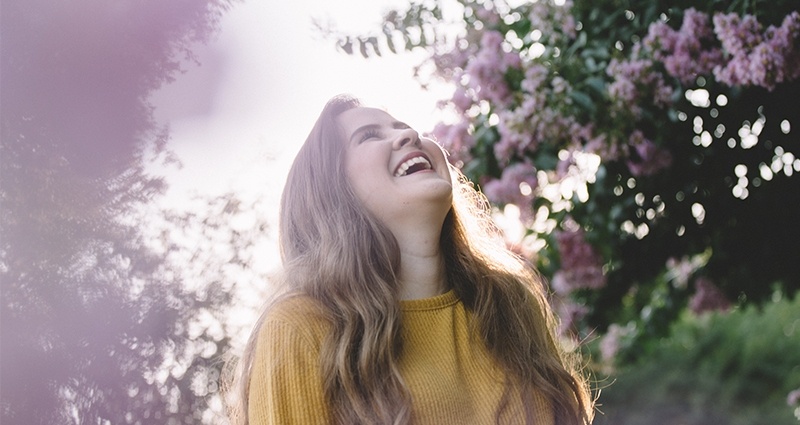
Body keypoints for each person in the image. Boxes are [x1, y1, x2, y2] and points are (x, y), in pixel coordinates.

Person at [227, 95, 594, 424]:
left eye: (406, 128)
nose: (408, 136)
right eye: (369, 136)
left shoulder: (510, 303)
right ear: (331, 192)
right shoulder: (300, 328)